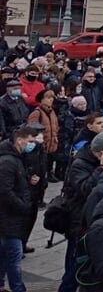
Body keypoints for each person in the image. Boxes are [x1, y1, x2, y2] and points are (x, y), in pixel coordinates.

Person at [59, 132, 103, 292]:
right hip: (79, 222)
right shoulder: (79, 163)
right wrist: (102, 168)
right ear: (99, 152)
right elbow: (85, 189)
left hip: (96, 219)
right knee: (74, 268)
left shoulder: (102, 161)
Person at [0, 124, 40, 292]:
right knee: (14, 259)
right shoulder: (8, 161)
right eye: (30, 141)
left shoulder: (16, 158)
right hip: (9, 219)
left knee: (4, 256)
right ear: (19, 140)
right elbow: (4, 191)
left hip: (11, 219)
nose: (33, 145)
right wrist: (23, 206)